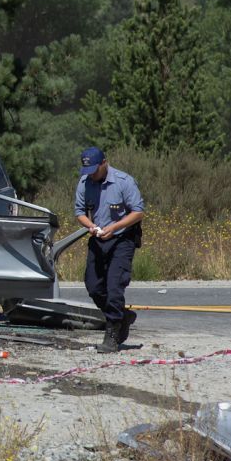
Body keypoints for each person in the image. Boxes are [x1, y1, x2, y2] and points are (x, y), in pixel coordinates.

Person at [74, 147, 145, 353]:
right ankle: (121, 316)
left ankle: (113, 334)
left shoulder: (124, 182)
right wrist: (90, 226)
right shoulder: (84, 182)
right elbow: (79, 212)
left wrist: (114, 228)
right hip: (98, 239)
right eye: (88, 171)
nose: (92, 175)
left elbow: (138, 212)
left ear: (105, 162)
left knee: (115, 286)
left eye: (95, 170)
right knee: (94, 286)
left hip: (122, 239)